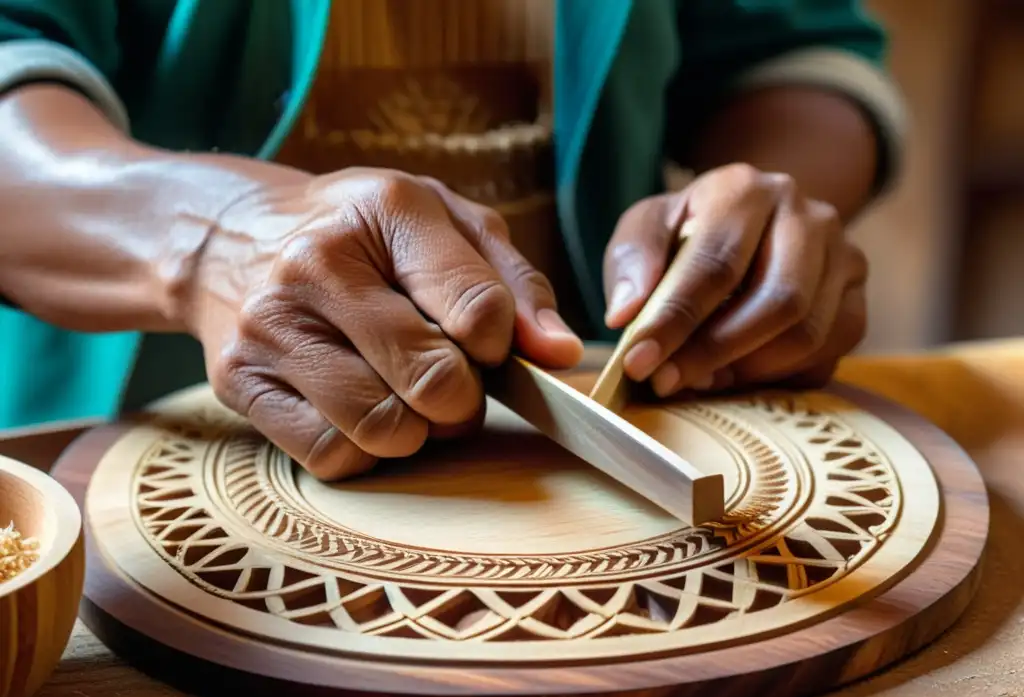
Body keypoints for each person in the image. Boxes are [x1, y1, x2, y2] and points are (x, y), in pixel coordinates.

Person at [0, 0, 905, 481]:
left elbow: (791, 52)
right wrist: (214, 240)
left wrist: (748, 233)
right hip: (148, 448)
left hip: (581, 412)